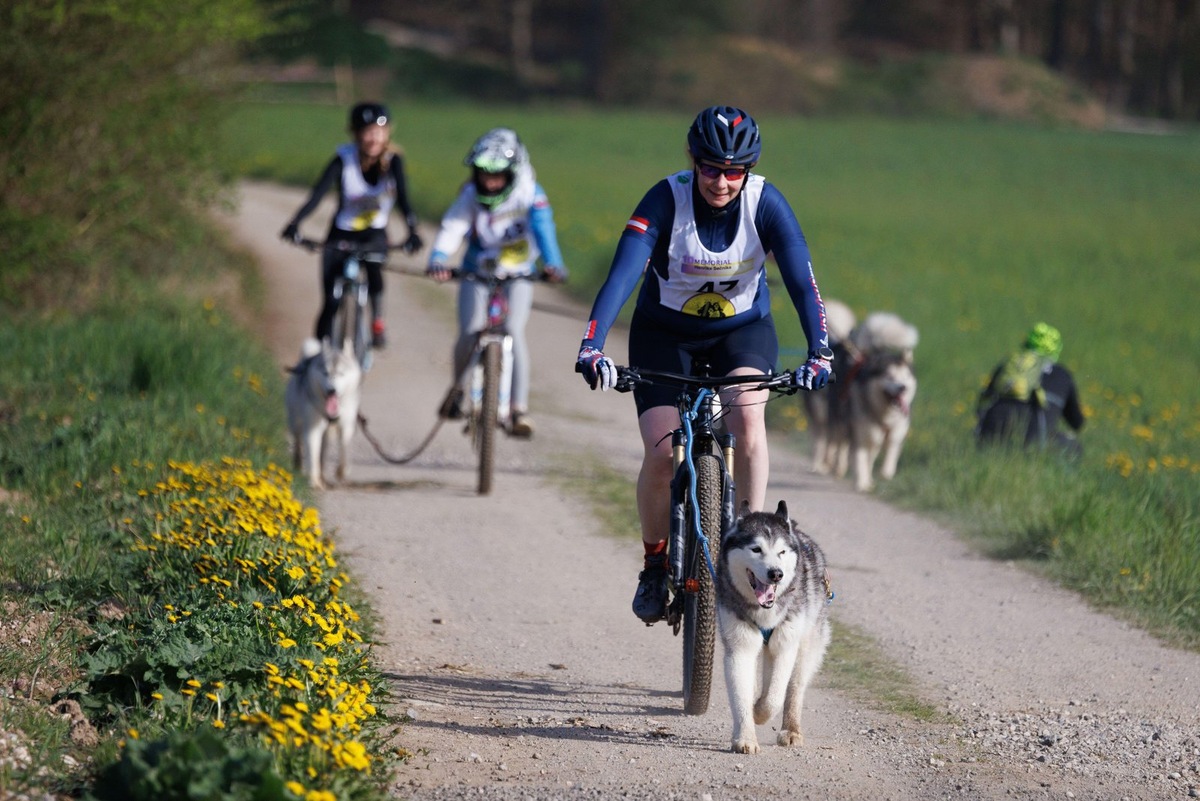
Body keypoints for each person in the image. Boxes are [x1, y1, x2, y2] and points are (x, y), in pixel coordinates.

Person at [574, 105, 833, 625]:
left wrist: (820, 349)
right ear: (693, 161)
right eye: (711, 168)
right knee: (665, 453)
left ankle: (751, 543)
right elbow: (622, 276)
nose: (722, 181)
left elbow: (804, 282)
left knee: (749, 419)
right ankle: (653, 565)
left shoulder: (766, 203)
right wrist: (592, 345)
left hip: (741, 332)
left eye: (734, 171)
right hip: (664, 335)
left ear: (749, 170)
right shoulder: (664, 200)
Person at [426, 127, 567, 439]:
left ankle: (518, 409)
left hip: (519, 271)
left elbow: (544, 230)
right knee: (468, 329)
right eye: (483, 175)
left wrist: (553, 265)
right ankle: (459, 390)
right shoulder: (469, 195)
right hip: (477, 269)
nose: (489, 183)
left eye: (498, 176)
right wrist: (438, 257)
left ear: (513, 173)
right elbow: (453, 226)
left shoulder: (531, 193)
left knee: (514, 330)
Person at [281, 101, 423, 349]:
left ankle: (377, 320)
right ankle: (317, 357)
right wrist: (295, 223)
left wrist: (413, 230)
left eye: (379, 131)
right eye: (367, 132)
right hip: (341, 233)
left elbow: (404, 199)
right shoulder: (343, 160)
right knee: (330, 301)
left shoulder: (394, 161)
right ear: (356, 134)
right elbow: (317, 195)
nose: (374, 138)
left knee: (375, 270)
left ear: (388, 132)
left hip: (374, 234)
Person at [976, 322, 1085, 457]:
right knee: (1074, 446)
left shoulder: (1008, 366)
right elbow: (1077, 422)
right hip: (1034, 446)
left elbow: (982, 403)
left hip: (990, 440)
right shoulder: (1062, 374)